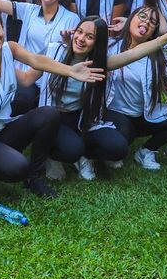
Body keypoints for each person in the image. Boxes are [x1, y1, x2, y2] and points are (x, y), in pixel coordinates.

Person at [0, 0, 106, 198]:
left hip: (4, 128)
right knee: (17, 167)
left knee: (48, 114)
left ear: (3, 26)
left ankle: (33, 178)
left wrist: (70, 70)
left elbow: (36, 60)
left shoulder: (9, 48)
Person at [35, 17, 139, 181]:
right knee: (71, 150)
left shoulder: (99, 63)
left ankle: (85, 156)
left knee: (119, 147)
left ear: (97, 42)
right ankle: (52, 156)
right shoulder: (55, 51)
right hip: (53, 118)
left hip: (80, 118)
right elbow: (28, 73)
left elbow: (134, 54)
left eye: (89, 37)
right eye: (79, 32)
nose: (81, 39)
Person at [106, 8, 167, 171]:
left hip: (143, 113)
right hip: (114, 111)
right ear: (130, 18)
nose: (146, 22)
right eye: (142, 16)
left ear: (154, 31)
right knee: (119, 146)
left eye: (152, 22)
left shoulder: (160, 55)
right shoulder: (110, 46)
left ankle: (146, 150)